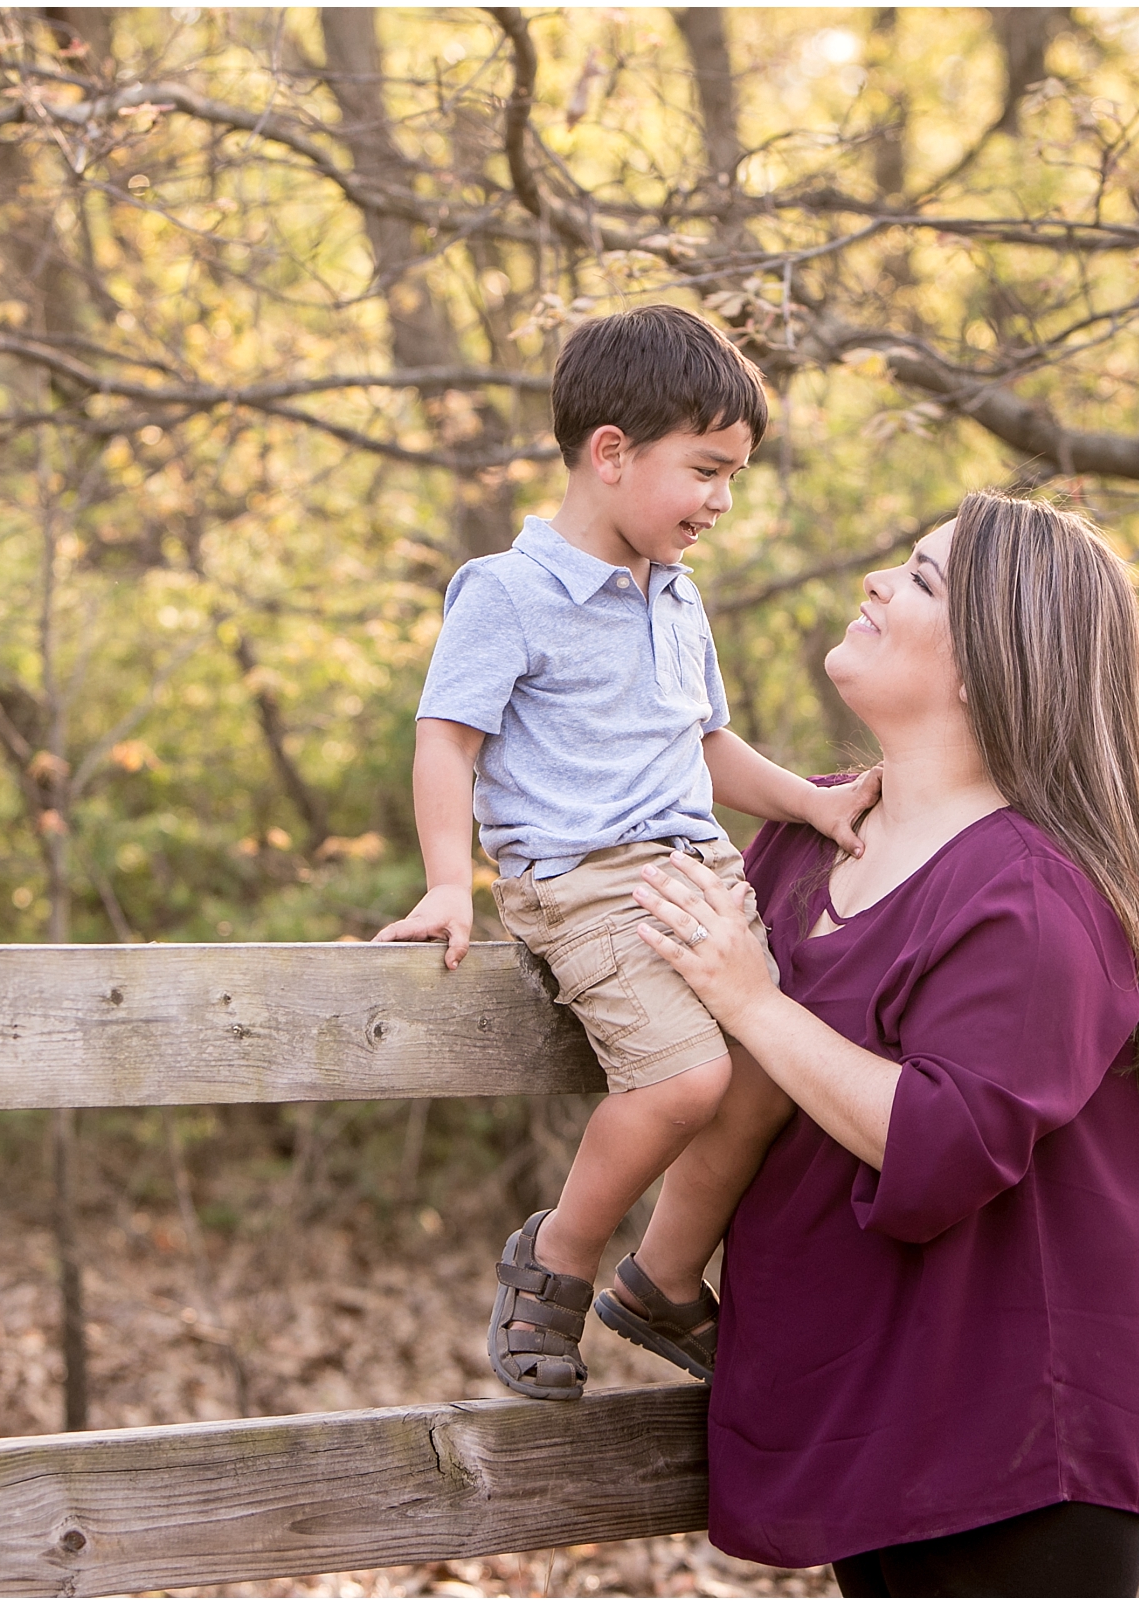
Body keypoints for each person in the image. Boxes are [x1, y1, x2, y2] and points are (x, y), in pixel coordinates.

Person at [622, 490, 1139, 1597]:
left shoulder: (1038, 894)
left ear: (989, 662)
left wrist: (755, 1003)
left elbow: (945, 1143)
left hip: (1022, 1432)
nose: (875, 583)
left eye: (921, 577)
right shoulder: (805, 846)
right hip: (869, 1388)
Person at [374, 304, 879, 1401]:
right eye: (706, 471)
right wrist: (451, 886)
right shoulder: (505, 593)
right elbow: (445, 742)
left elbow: (703, 748)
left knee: (766, 1067)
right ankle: (557, 1254)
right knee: (687, 1077)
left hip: (698, 875)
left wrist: (812, 804)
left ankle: (663, 1280)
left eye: (734, 475)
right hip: (585, 882)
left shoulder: (676, 594)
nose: (722, 502)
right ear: (612, 454)